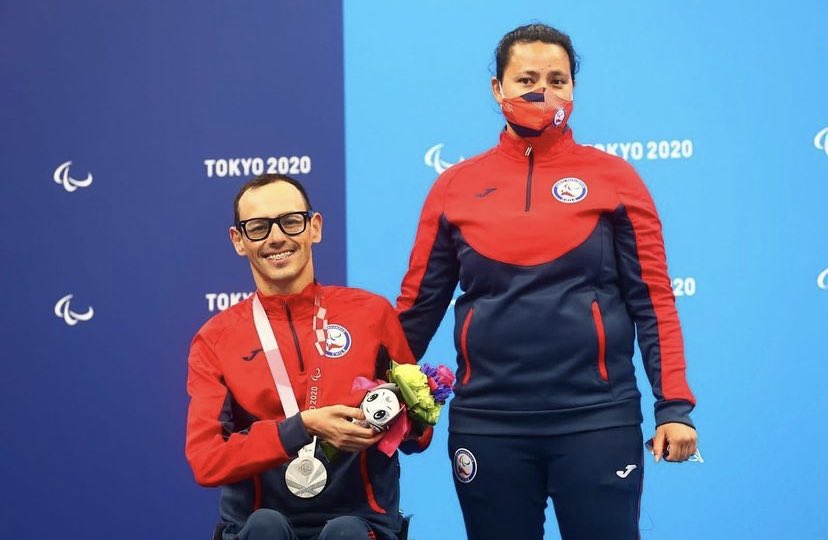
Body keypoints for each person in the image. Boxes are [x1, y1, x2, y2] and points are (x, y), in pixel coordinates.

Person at [396, 23, 698, 540]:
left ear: (574, 90)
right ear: (497, 88)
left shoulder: (615, 179)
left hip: (598, 418)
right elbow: (415, 311)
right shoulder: (455, 186)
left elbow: (654, 304)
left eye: (558, 80)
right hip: (488, 423)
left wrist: (675, 408)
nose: (543, 92)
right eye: (527, 78)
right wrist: (391, 402)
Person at [186, 174, 430, 540]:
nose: (277, 237)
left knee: (346, 534)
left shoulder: (371, 314)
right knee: (265, 529)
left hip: (361, 523)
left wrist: (394, 420)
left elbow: (419, 436)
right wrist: (303, 427)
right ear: (238, 241)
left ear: (314, 227)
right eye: (258, 227)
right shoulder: (215, 339)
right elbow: (206, 461)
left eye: (290, 221)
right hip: (258, 524)